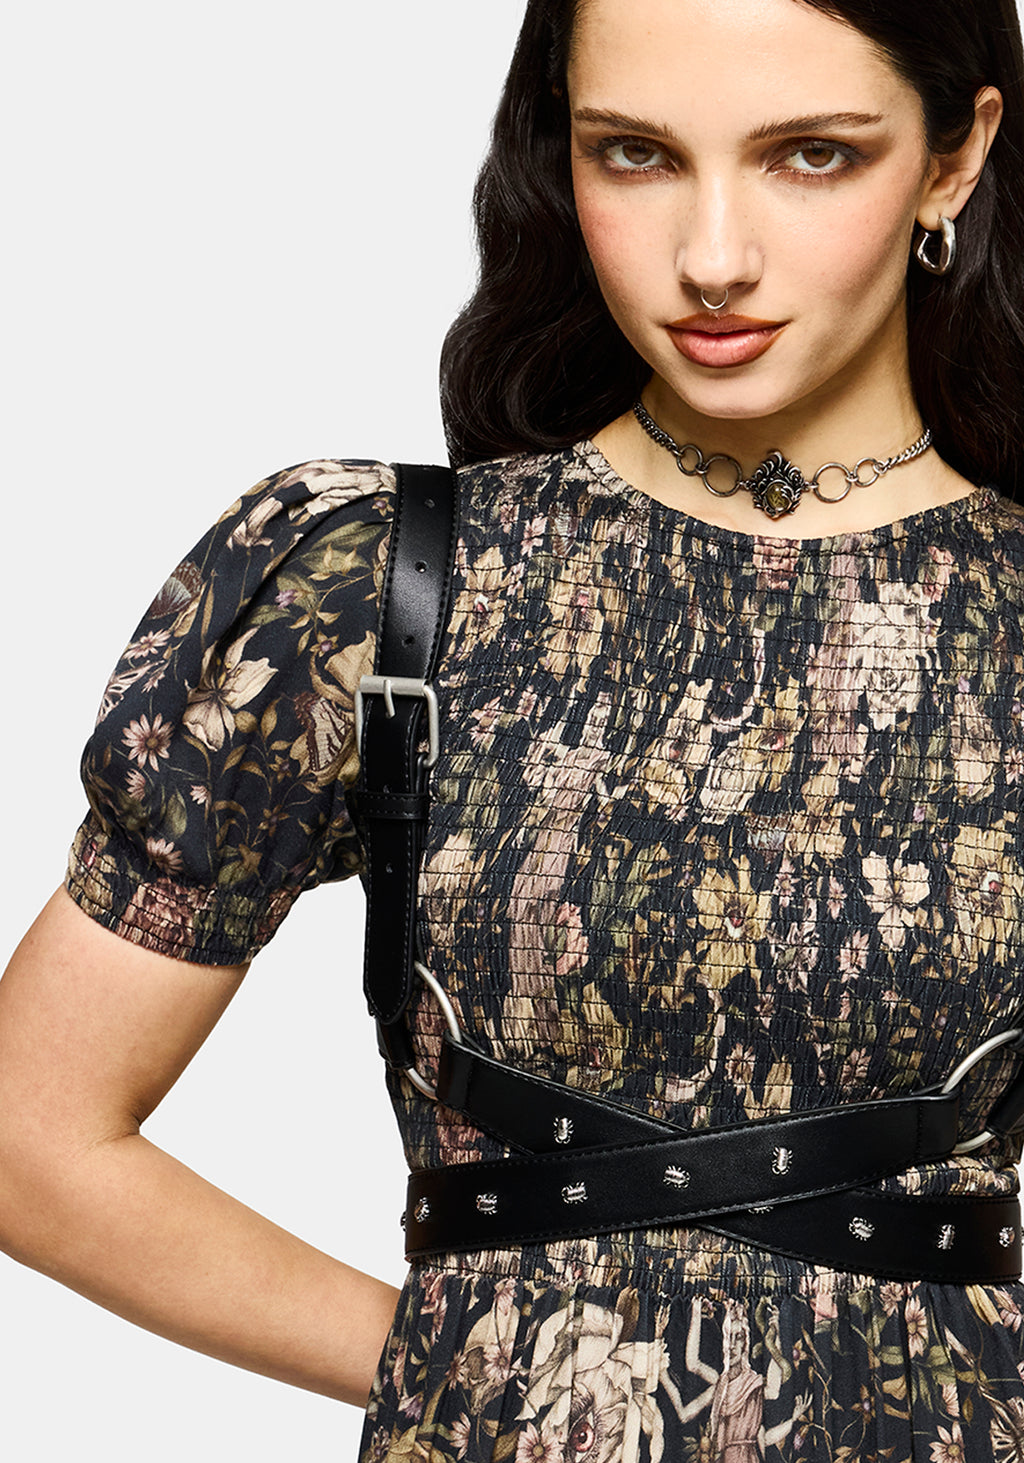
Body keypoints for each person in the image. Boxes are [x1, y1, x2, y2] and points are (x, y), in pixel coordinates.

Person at [3, 0, 1024, 1459]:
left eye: (811, 155)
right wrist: (456, 1367)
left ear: (953, 158)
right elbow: (31, 1132)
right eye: (636, 154)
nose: (713, 257)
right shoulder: (382, 584)